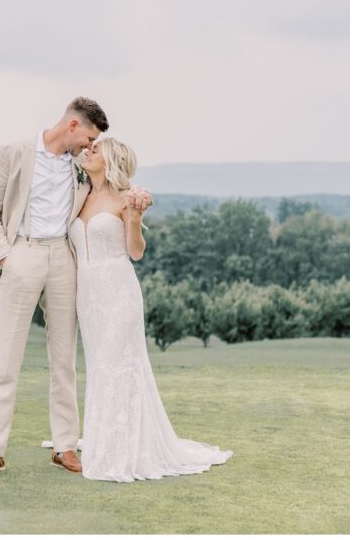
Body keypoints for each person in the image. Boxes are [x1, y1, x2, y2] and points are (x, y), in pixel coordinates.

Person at [0, 97, 149, 478]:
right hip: (21, 254)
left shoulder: (81, 165)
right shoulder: (12, 153)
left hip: (65, 259)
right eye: (89, 137)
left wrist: (137, 200)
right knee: (5, 355)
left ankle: (66, 446)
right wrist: (5, 257)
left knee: (64, 358)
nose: (90, 147)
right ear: (74, 125)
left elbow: (112, 184)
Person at [68, 136, 232, 482]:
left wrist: (135, 219)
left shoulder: (127, 199)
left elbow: (136, 251)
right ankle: (103, 440)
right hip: (88, 297)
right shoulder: (80, 195)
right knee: (100, 366)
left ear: (110, 160)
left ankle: (123, 450)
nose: (87, 152)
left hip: (118, 292)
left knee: (118, 366)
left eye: (95, 150)